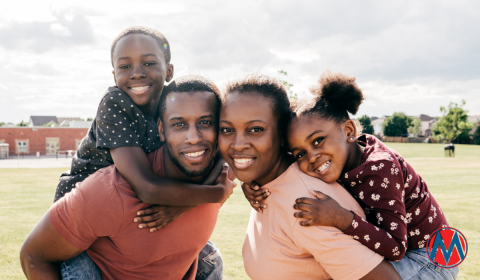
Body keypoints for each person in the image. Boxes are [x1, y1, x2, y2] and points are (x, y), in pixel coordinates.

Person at [20, 75, 236, 280]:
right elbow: (33, 257)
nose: (193, 138)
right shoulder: (111, 192)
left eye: (206, 123)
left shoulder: (220, 175)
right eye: (179, 124)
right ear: (161, 129)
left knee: (210, 258)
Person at [219, 74, 401, 280]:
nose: (238, 144)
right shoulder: (266, 185)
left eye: (255, 129)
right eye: (227, 129)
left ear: (282, 136)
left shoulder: (307, 204)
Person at [287, 71, 458, 280]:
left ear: (349, 131)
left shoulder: (379, 168)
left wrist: (341, 218)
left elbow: (396, 248)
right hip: (409, 255)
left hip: (429, 258)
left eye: (318, 140)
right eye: (301, 153)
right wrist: (256, 185)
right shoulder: (342, 157)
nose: (311, 157)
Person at [54, 26, 228, 211]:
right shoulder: (114, 104)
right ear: (115, 76)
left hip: (130, 198)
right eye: (125, 66)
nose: (137, 73)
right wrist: (215, 193)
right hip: (82, 202)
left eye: (149, 63)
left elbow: (222, 156)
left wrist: (185, 206)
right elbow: (147, 187)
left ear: (169, 71)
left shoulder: (173, 104)